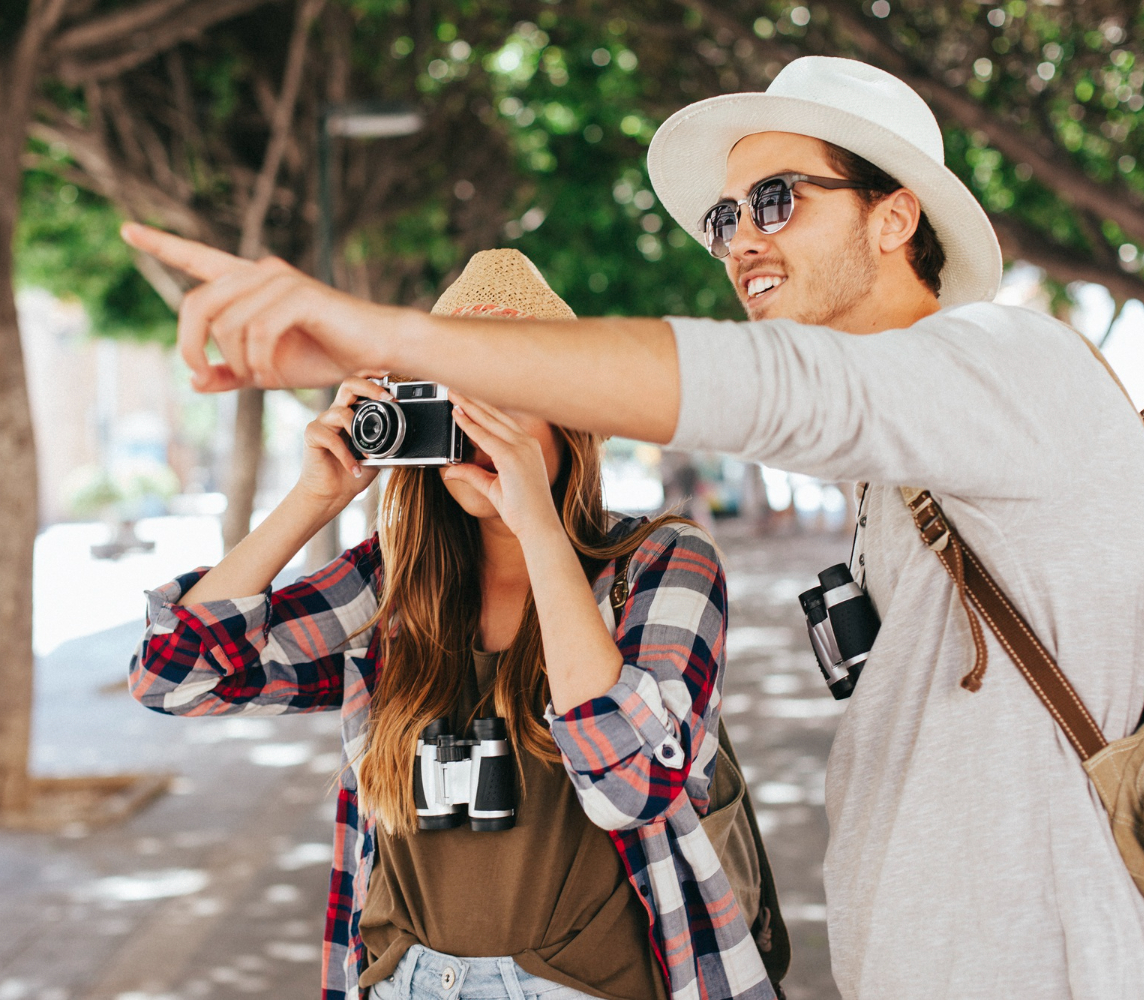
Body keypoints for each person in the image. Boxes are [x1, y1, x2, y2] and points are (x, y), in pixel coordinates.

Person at [122, 55, 1144, 1000]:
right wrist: (315, 495)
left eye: (774, 200)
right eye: (727, 218)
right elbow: (175, 673)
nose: (738, 244)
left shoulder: (1015, 367)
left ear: (895, 214)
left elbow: (773, 395)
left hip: (1050, 967)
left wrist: (391, 335)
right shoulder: (898, 480)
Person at [129, 250, 780, 1000]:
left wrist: (536, 522)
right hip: (406, 980)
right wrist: (314, 499)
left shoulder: (662, 563)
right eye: (456, 397)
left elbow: (631, 787)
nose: (480, 423)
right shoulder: (392, 586)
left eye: (509, 394)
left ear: (575, 417)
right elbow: (176, 677)